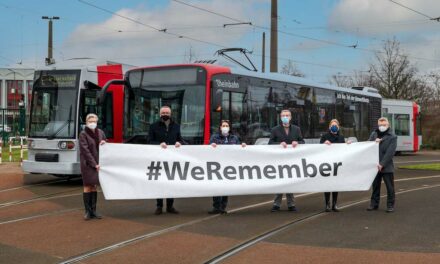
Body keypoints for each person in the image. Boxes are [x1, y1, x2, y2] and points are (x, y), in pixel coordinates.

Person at [148, 106, 183, 215]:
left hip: (172, 158)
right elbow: (149, 141)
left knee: (171, 181)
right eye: (163, 112)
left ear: (170, 114)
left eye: (167, 112)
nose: (165, 114)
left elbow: (180, 139)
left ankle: (170, 206)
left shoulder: (176, 126)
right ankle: (159, 206)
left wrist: (179, 143)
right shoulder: (153, 126)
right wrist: (158, 144)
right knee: (159, 182)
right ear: (159, 114)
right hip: (158, 158)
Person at [269, 109, 305, 212]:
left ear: (290, 117)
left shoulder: (296, 129)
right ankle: (276, 204)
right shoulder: (275, 129)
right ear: (280, 117)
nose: (285, 117)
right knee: (280, 182)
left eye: (287, 115)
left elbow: (302, 141)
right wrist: (279, 144)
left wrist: (297, 142)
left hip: (292, 160)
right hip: (279, 161)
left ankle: (291, 204)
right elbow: (270, 143)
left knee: (290, 181)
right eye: (283, 115)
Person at [209, 120, 246, 214]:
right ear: (220, 128)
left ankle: (223, 207)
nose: (225, 127)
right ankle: (216, 206)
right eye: (223, 126)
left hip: (229, 166)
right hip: (217, 166)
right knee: (217, 186)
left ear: (229, 128)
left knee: (226, 186)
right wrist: (211, 146)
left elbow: (239, 150)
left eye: (227, 126)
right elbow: (208, 149)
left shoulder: (234, 138)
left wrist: (243, 146)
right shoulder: (214, 137)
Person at [79, 113, 106, 220]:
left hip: (99, 164)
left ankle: (93, 211)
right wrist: (94, 164)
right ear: (86, 122)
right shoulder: (83, 134)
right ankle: (87, 212)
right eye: (90, 121)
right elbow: (85, 151)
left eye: (94, 121)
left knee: (94, 186)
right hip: (88, 165)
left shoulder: (100, 132)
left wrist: (104, 142)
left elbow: (105, 146)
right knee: (87, 186)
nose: (92, 123)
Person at [367, 117, 397, 213]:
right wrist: (373, 142)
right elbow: (367, 145)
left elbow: (390, 152)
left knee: (389, 187)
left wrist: (382, 164)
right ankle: (374, 204)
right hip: (375, 166)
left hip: (386, 166)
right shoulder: (374, 134)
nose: (382, 126)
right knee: (375, 186)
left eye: (384, 125)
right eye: (380, 125)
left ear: (388, 125)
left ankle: (390, 205)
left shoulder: (392, 136)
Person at [320, 119, 351, 212]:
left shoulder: (341, 137)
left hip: (337, 164)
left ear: (338, 127)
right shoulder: (325, 136)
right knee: (327, 185)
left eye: (336, 125)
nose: (334, 127)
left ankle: (334, 204)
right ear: (329, 127)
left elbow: (344, 149)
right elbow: (318, 148)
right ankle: (327, 204)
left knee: (335, 185)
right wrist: (324, 144)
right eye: (332, 125)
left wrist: (347, 144)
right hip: (327, 164)